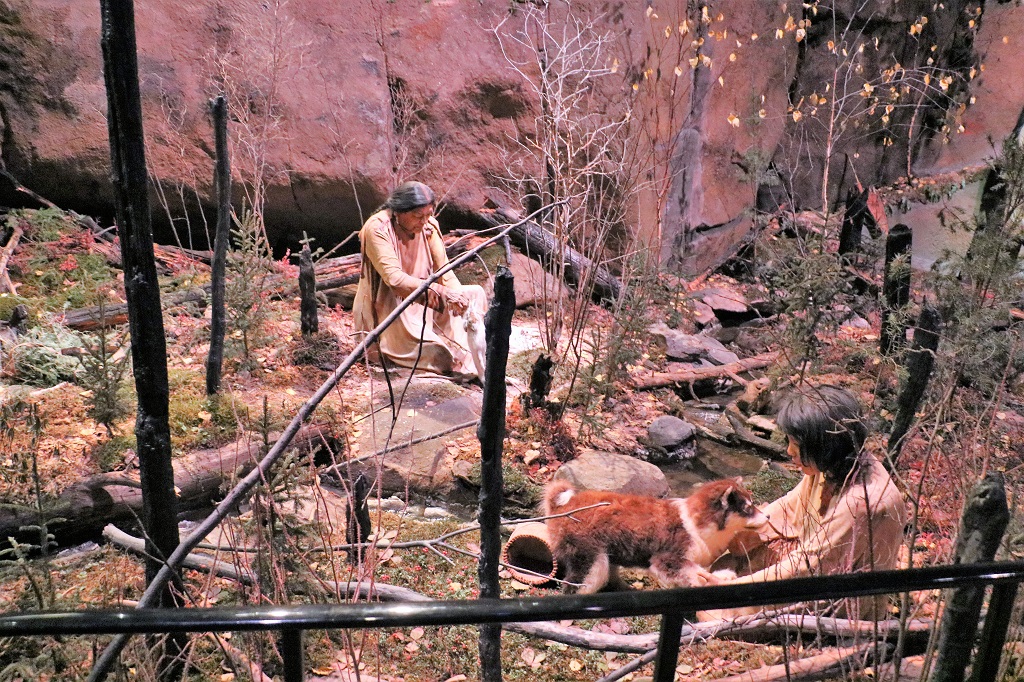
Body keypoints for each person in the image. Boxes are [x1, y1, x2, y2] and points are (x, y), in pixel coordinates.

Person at [704, 385, 908, 621]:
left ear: (824, 445)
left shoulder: (861, 502)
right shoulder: (832, 463)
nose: (789, 451)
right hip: (811, 569)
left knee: (712, 610)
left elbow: (806, 567)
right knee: (724, 561)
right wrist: (739, 532)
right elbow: (789, 508)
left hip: (837, 600)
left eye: (796, 445)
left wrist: (731, 588)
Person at [352, 181, 488, 377]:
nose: (424, 221)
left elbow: (444, 272)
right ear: (398, 211)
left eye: (428, 215)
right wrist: (443, 293)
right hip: (390, 310)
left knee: (475, 294)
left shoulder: (429, 225)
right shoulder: (378, 228)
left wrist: (459, 299)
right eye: (417, 216)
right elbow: (395, 280)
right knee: (439, 356)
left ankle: (469, 360)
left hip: (424, 305)